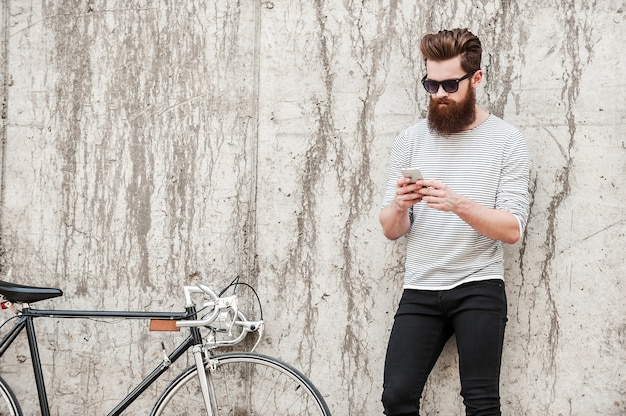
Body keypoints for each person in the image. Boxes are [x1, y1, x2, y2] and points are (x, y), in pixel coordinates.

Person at [379, 28, 530, 416]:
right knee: (396, 397)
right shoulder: (411, 139)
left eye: (450, 84)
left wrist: (459, 204)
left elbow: (512, 229)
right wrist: (399, 205)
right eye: (431, 84)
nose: (440, 95)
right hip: (420, 287)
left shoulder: (507, 141)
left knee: (481, 404)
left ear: (475, 78)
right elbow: (391, 230)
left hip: (478, 286)